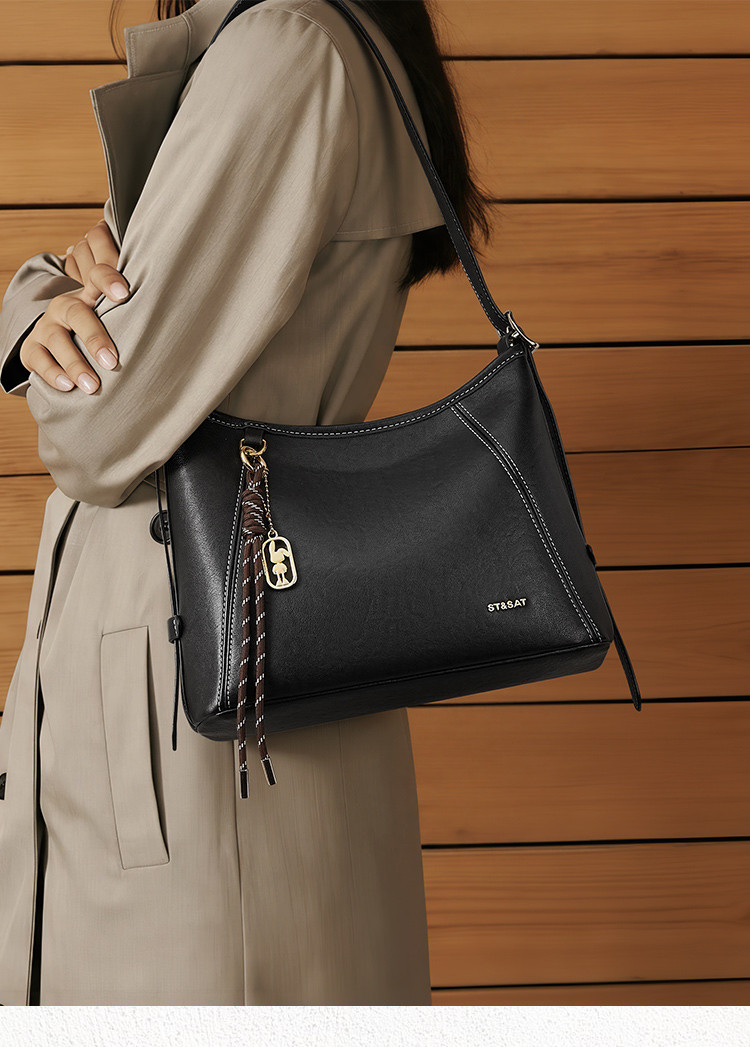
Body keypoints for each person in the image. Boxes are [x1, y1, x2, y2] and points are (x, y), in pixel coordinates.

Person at [0, 0, 493, 1005]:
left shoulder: (285, 50)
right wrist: (74, 292)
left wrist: (33, 303)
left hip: (196, 702)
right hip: (261, 664)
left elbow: (95, 427)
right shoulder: (321, 41)